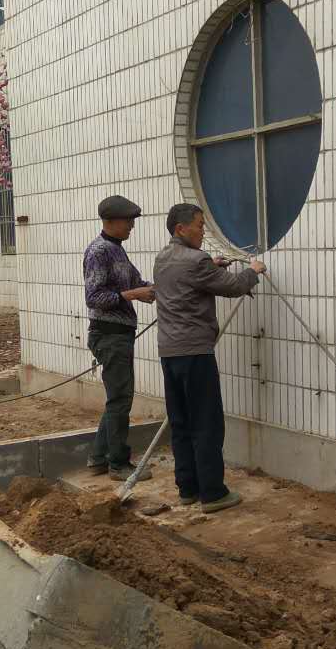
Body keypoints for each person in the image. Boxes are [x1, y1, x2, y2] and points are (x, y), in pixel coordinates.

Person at [153, 204, 265, 513]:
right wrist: (253, 270)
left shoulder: (163, 257)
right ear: (181, 229)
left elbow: (191, 277)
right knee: (206, 423)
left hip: (169, 352)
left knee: (181, 423)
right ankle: (213, 493)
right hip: (195, 353)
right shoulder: (196, 260)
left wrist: (211, 266)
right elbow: (234, 286)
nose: (203, 231)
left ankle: (188, 489)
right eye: (200, 225)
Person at [83, 195, 156, 481]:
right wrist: (134, 295)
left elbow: (138, 283)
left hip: (119, 334)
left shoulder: (117, 250)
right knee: (120, 401)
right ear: (111, 221)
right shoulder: (99, 252)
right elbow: (95, 297)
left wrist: (161, 286)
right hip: (109, 335)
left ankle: (98, 458)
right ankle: (119, 464)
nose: (131, 226)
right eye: (128, 221)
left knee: (117, 399)